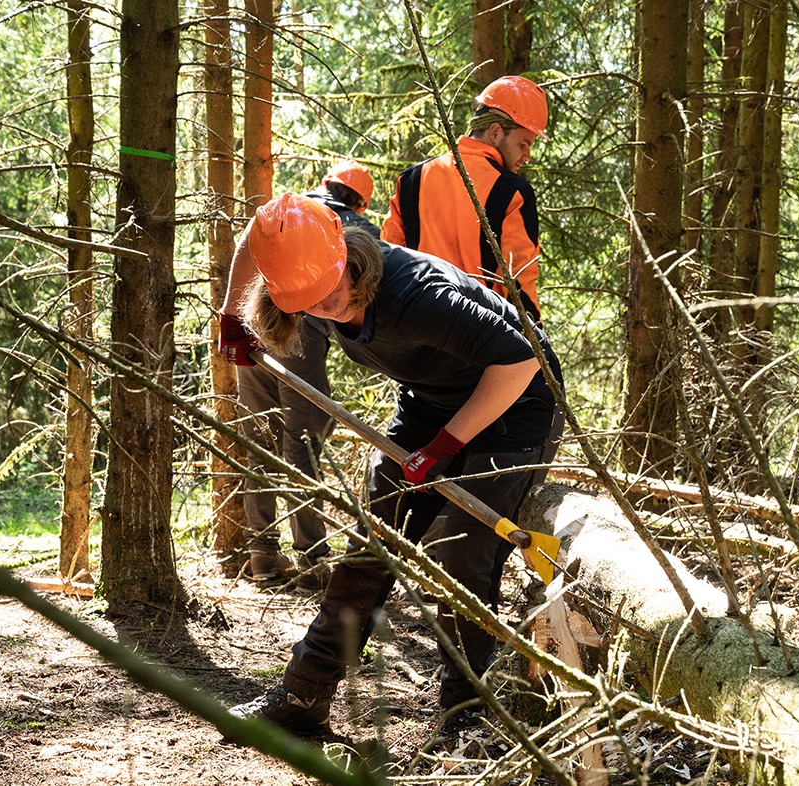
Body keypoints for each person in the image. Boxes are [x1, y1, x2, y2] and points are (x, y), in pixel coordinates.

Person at [226, 192, 564, 736]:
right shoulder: (303, 262)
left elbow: (521, 358)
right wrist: (231, 319)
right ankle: (301, 699)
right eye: (308, 302)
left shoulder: (415, 296)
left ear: (347, 259)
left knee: (467, 561)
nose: (325, 306)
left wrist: (446, 445)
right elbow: (256, 234)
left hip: (517, 405)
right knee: (370, 549)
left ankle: (467, 715)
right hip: (430, 401)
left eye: (332, 291)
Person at [217, 160, 380, 592]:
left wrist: (232, 316)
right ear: (360, 201)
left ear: (328, 184)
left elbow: (248, 245)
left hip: (255, 328)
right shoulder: (344, 225)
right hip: (299, 335)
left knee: (260, 446)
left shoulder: (290, 213)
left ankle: (264, 559)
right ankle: (312, 561)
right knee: (302, 447)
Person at [382, 75, 547, 323]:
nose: (527, 155)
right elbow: (519, 279)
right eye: (523, 144)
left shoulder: (412, 179)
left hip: (416, 326)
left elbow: (387, 257)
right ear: (495, 132)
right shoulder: (514, 192)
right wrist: (535, 339)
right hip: (480, 332)